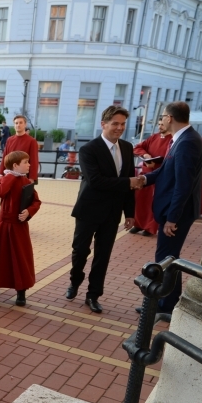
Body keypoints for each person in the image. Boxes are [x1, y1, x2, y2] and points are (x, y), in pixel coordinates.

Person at [67, 106, 139, 314]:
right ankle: (74, 281)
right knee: (80, 251)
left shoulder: (127, 147)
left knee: (103, 256)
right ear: (103, 124)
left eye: (123, 124)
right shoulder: (89, 149)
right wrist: (128, 182)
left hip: (112, 212)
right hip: (88, 209)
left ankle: (93, 295)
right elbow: (96, 181)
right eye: (115, 123)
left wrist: (130, 212)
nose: (119, 128)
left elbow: (130, 184)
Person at [138, 101, 202, 314]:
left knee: (166, 259)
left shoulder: (187, 142)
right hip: (174, 210)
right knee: (168, 258)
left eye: (163, 117)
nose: (161, 120)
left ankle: (166, 306)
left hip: (176, 213)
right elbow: (166, 171)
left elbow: (183, 185)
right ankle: (165, 302)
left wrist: (172, 218)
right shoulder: (183, 139)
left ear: (169, 118)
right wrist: (142, 179)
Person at [0, 151, 42, 308]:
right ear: (15, 165)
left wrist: (29, 211)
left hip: (19, 226)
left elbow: (36, 201)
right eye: (25, 162)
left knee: (20, 258)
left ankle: (21, 292)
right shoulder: (3, 179)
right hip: (3, 225)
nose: (29, 165)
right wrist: (10, 175)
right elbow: (0, 192)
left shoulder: (27, 182)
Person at [131, 119, 172, 236]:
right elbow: (138, 147)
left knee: (154, 202)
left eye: (162, 125)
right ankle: (138, 224)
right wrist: (146, 155)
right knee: (140, 200)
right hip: (145, 173)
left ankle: (150, 227)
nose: (160, 127)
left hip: (159, 174)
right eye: (158, 124)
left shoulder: (172, 140)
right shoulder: (153, 137)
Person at [0, 115, 40, 182]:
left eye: (21, 123)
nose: (18, 125)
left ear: (25, 124)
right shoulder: (9, 140)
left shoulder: (32, 141)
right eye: (16, 123)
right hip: (9, 175)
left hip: (24, 176)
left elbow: (34, 160)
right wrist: (0, 173)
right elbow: (5, 157)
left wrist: (32, 178)